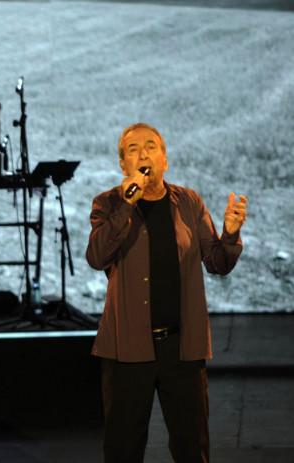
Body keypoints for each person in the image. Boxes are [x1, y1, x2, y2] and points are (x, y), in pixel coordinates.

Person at [86, 122, 247, 462]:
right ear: (123, 165)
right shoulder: (108, 204)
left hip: (181, 350)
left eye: (150, 147)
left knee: (192, 449)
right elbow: (97, 256)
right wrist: (127, 204)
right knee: (123, 450)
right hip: (127, 351)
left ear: (164, 159)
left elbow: (217, 262)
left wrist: (230, 235)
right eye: (133, 149)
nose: (143, 153)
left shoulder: (189, 202)